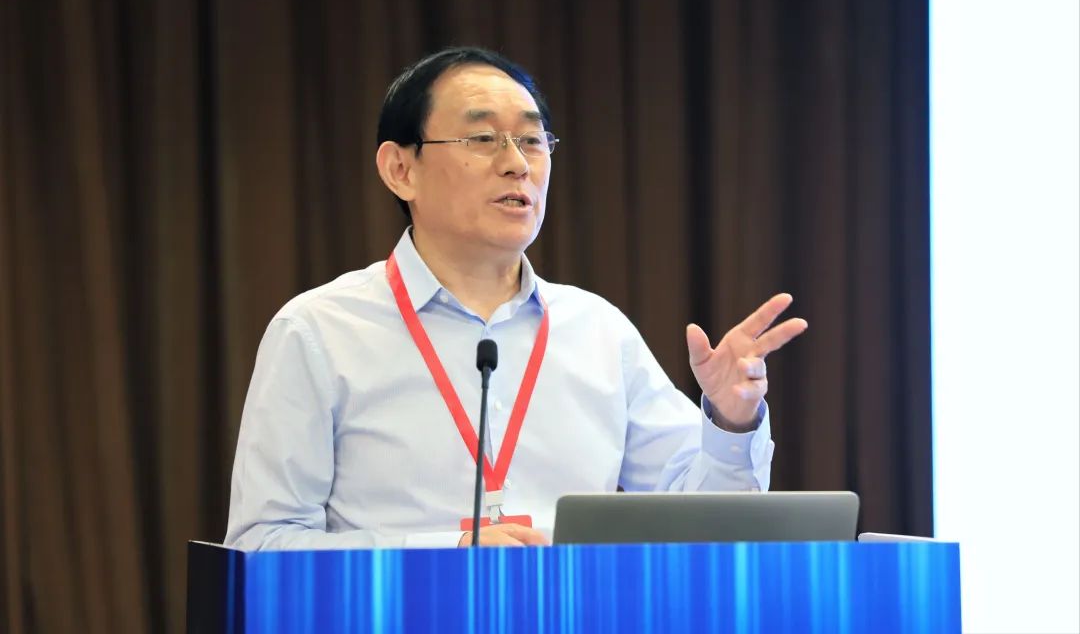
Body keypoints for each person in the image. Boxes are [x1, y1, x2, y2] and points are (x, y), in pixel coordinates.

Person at [223, 47, 807, 550]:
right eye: (482, 139)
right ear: (401, 169)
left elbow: (704, 523)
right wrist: (444, 555)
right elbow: (263, 544)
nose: (516, 164)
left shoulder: (597, 330)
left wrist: (731, 421)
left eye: (531, 140)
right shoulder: (319, 330)